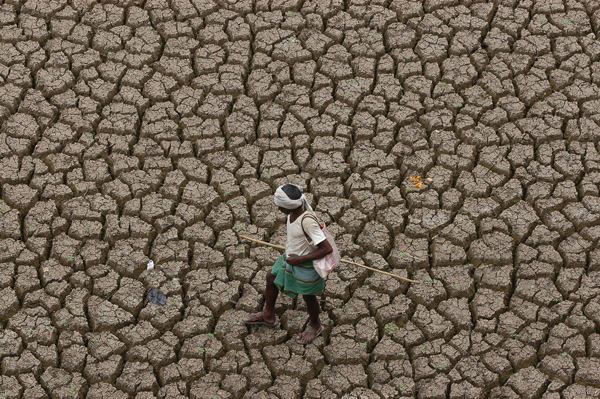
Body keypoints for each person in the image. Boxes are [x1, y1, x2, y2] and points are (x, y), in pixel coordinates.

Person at [245, 183, 333, 344]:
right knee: (271, 277)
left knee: (308, 296)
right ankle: (268, 315)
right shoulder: (292, 213)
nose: (278, 209)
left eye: (280, 206)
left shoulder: (307, 222)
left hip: (305, 263)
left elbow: (326, 248)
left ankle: (315, 325)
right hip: (290, 257)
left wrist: (299, 259)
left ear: (286, 207)